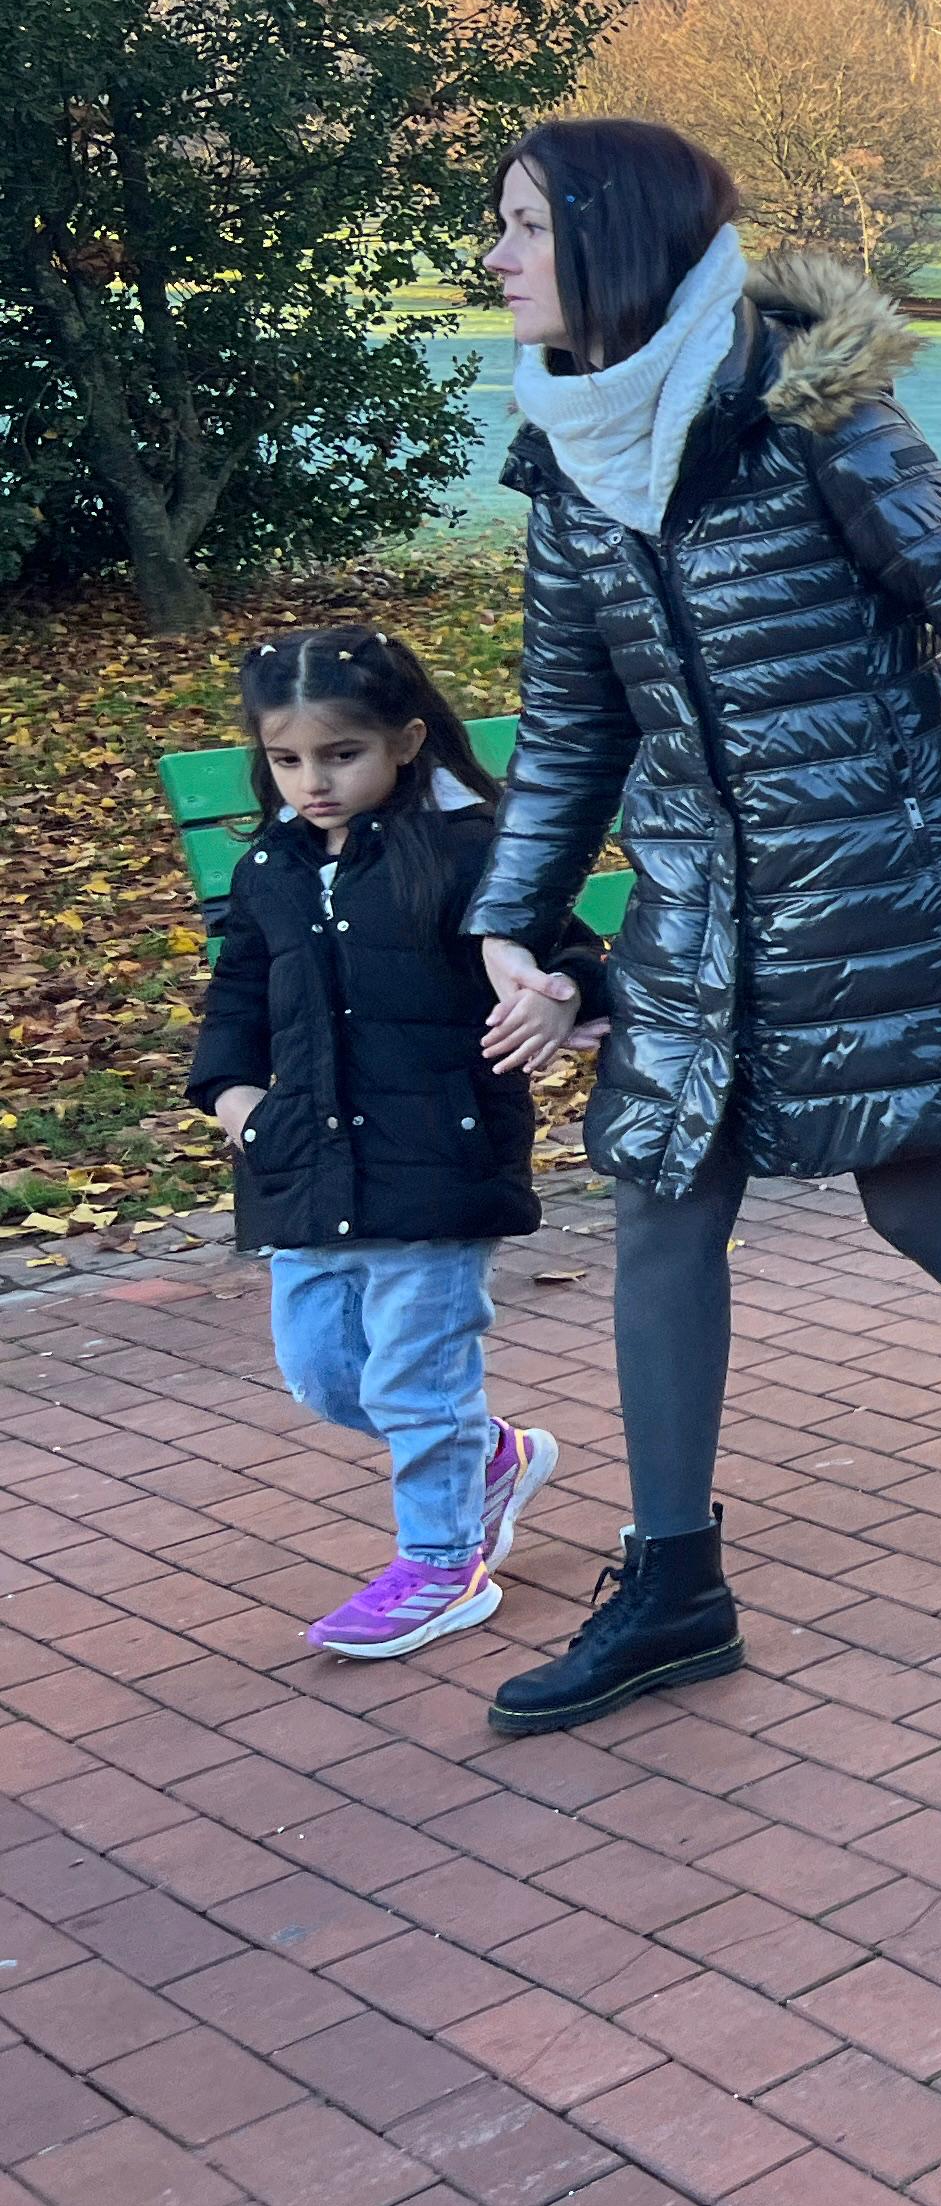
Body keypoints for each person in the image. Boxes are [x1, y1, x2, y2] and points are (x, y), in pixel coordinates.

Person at [462, 119, 941, 1738]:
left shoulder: (815, 413)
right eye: (496, 230)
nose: (497, 259)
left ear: (616, 237)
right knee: (661, 1193)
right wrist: (510, 919)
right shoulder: (569, 455)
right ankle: (676, 1585)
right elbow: (572, 726)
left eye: (523, 227)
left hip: (878, 881)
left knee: (917, 1191)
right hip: (697, 900)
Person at [189, 627, 597, 1658]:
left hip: (439, 1156)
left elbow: (576, 954)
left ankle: (442, 1564)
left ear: (407, 740)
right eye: (288, 760)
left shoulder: (470, 849)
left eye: (340, 755)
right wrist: (237, 1100)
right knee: (326, 1374)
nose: (313, 782)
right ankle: (485, 1457)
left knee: (414, 1380)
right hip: (303, 1160)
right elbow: (238, 991)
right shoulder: (273, 865)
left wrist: (561, 1001)